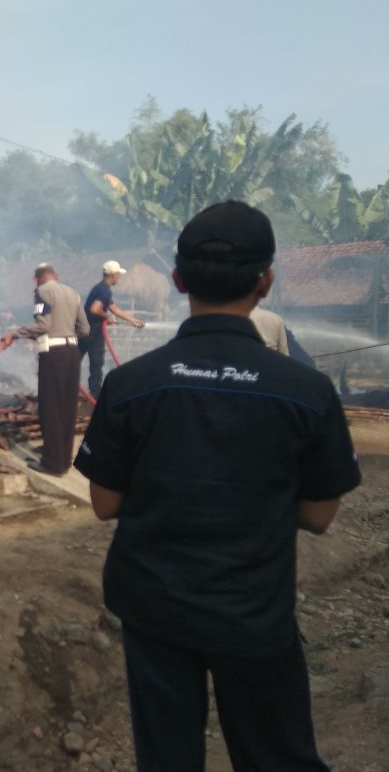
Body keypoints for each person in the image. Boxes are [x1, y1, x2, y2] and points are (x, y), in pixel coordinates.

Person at [73, 201, 362, 771]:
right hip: (253, 613)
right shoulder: (305, 390)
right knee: (277, 756)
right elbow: (320, 515)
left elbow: (105, 504)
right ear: (267, 283)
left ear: (179, 280)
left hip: (154, 612)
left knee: (168, 759)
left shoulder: (131, 385)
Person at [1, 263, 89, 475]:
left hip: (53, 355)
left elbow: (43, 325)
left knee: (51, 407)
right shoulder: (73, 293)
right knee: (68, 407)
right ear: (55, 276)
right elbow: (84, 329)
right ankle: (64, 460)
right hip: (72, 353)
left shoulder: (43, 291)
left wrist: (15, 333)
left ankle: (52, 463)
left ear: (36, 279)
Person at [80, 260, 145, 397]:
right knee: (96, 363)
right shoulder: (104, 291)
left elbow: (113, 308)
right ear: (113, 275)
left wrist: (133, 320)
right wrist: (107, 316)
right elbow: (95, 309)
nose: (119, 278)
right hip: (92, 332)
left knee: (81, 361)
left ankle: (73, 388)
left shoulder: (102, 288)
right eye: (118, 275)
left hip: (88, 330)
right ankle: (95, 395)